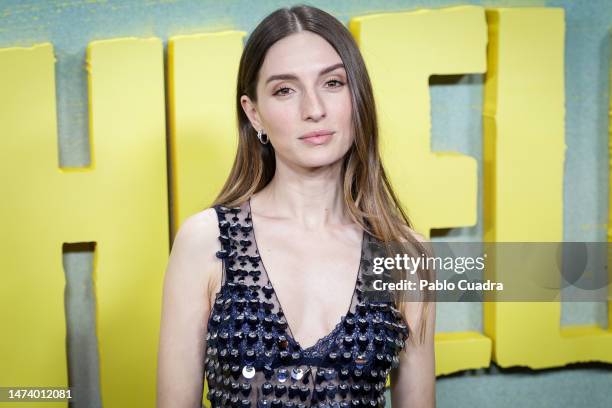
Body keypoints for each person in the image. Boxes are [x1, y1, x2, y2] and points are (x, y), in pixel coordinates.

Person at [157, 5, 436, 408]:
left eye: (333, 83)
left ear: (358, 96)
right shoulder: (205, 241)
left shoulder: (404, 254)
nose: (314, 109)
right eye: (285, 90)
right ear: (254, 114)